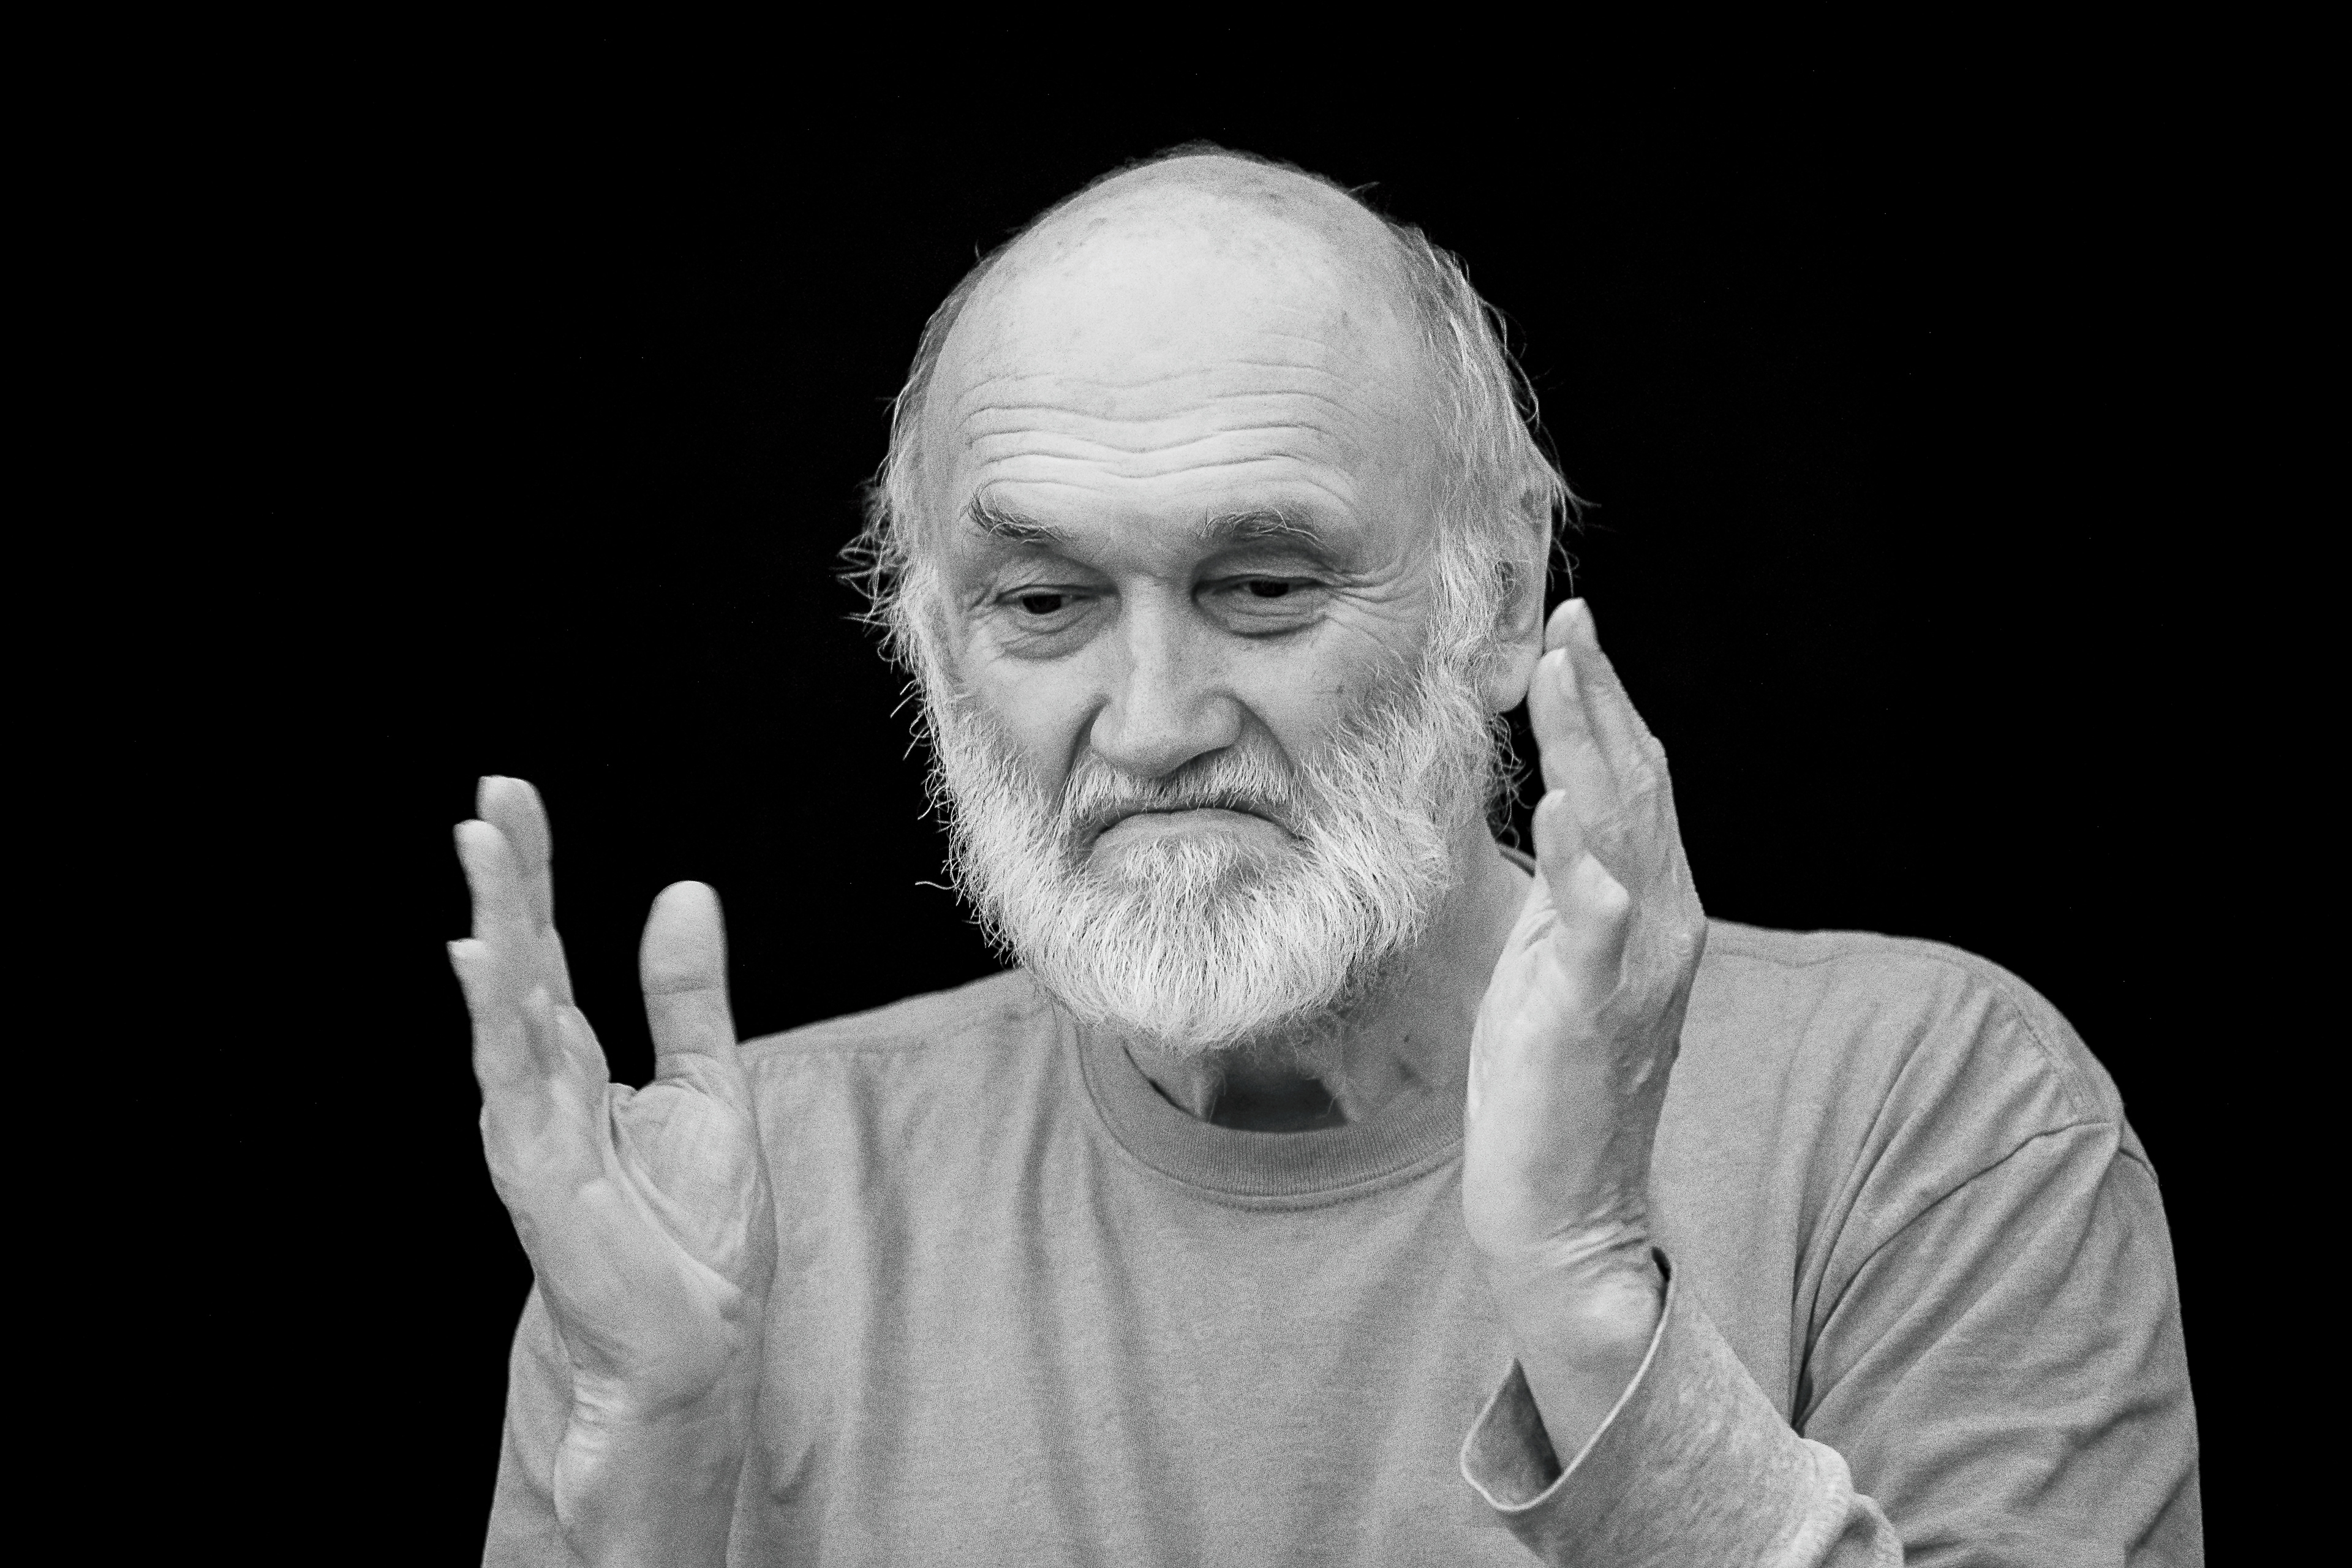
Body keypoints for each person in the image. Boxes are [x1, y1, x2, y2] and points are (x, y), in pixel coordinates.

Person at [454, 148, 2200, 1566]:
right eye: (1045, 602)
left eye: (1265, 586)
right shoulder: (714, 1221)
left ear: (1498, 597)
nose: (1152, 720)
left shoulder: (1928, 1113)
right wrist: (654, 1495)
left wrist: (1593, 1293)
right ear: (928, 641)